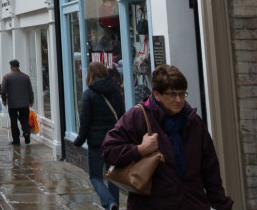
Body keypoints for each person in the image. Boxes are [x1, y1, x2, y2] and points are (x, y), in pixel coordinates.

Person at [102, 64, 232, 209]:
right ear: (157, 94)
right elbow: (108, 151)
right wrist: (140, 149)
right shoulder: (138, 117)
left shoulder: (193, 122)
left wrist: (222, 204)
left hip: (192, 203)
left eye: (182, 94)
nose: (178, 100)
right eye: (172, 94)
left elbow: (210, 168)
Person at [74, 61, 126, 210]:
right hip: (114, 140)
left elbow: (85, 123)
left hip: (96, 143)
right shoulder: (115, 90)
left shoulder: (89, 94)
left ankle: (110, 202)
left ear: (90, 74)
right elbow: (122, 116)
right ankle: (113, 203)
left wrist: (78, 141)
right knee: (113, 175)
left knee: (95, 176)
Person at [2, 58, 35, 146]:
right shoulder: (26, 76)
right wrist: (31, 101)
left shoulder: (7, 77)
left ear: (11, 67)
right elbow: (30, 90)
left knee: (14, 121)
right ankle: (26, 133)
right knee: (24, 120)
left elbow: (3, 91)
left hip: (12, 104)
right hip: (24, 103)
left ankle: (16, 140)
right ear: (18, 66)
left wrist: (4, 100)